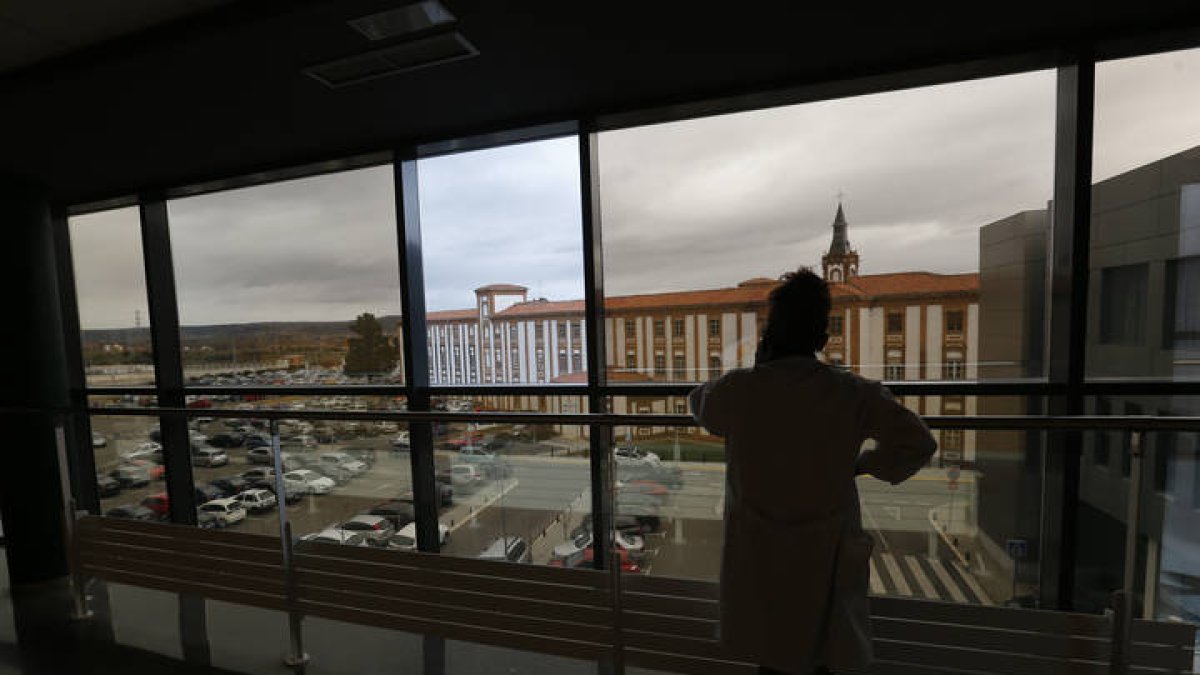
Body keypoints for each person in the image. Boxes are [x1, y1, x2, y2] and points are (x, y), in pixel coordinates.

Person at [689, 268, 936, 675]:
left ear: (770, 332)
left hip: (759, 554)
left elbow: (700, 404)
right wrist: (863, 465)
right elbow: (918, 443)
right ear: (822, 339)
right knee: (825, 652)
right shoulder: (854, 393)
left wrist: (755, 366)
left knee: (772, 653)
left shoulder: (737, 390)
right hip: (827, 554)